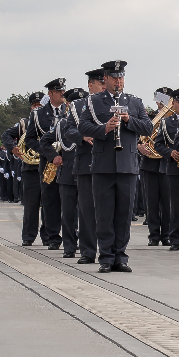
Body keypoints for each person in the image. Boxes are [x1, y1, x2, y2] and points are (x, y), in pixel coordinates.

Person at [78, 60, 152, 273]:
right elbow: (83, 126)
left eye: (121, 78)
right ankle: (106, 257)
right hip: (103, 165)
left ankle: (121, 256)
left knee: (124, 214)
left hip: (127, 165)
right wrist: (104, 128)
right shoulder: (94, 102)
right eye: (114, 78)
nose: (118, 82)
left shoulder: (134, 102)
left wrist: (129, 120)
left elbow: (147, 127)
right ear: (106, 79)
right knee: (104, 213)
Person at [40, 87, 87, 258]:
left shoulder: (89, 125)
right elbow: (44, 141)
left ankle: (86, 245)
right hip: (67, 173)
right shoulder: (62, 124)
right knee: (68, 214)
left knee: (86, 213)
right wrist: (54, 156)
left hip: (86, 173)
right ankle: (69, 246)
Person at [70, 69, 106, 263]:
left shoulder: (113, 104)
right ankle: (88, 251)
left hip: (108, 163)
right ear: (90, 85)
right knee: (86, 211)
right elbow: (67, 130)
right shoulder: (77, 106)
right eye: (101, 83)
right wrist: (81, 136)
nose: (104, 87)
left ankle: (109, 252)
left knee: (108, 210)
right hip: (86, 163)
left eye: (105, 83)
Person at [31, 78, 68, 250]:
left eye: (63, 91)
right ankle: (53, 237)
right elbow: (31, 139)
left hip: (68, 160)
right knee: (50, 200)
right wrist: (51, 155)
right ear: (50, 93)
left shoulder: (70, 110)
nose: (62, 94)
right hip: (49, 163)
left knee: (70, 200)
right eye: (59, 92)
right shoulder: (38, 114)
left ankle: (71, 235)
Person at [155, 88, 179, 251]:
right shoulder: (166, 122)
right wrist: (170, 152)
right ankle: (176, 239)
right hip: (174, 167)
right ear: (173, 103)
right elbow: (158, 144)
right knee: (176, 205)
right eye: (178, 102)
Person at [139, 87, 173, 247]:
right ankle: (153, 235)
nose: (161, 102)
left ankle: (166, 234)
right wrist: (140, 146)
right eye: (159, 99)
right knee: (151, 202)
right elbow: (139, 136)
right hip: (149, 164)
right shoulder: (149, 118)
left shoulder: (173, 119)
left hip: (165, 163)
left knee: (167, 202)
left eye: (164, 99)